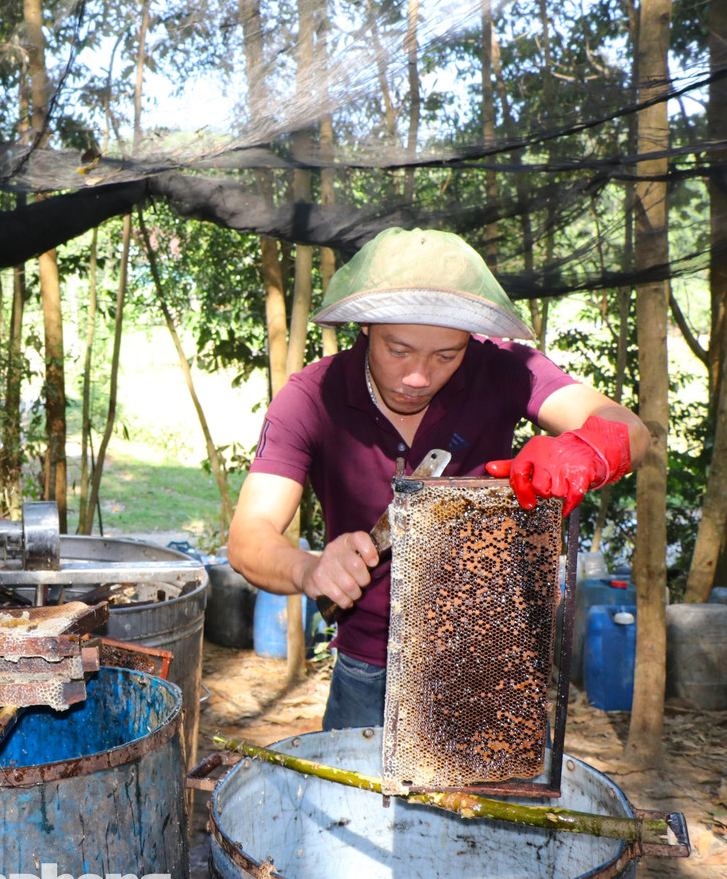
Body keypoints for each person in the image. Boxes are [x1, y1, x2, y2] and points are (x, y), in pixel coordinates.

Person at [226, 227, 648, 731]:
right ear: (365, 327)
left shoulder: (506, 370)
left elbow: (631, 431)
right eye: (398, 350)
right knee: (358, 807)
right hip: (369, 665)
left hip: (488, 654)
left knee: (487, 805)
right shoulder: (310, 398)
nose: (418, 377)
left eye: (446, 356)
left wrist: (581, 450)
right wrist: (309, 570)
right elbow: (249, 539)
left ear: (469, 341)